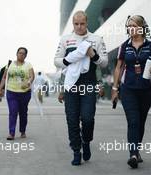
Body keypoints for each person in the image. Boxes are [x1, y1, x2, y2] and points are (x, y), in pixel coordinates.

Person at [54, 11, 108, 166]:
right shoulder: (66, 39)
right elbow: (57, 61)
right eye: (76, 24)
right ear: (73, 23)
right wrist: (69, 59)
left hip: (89, 84)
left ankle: (86, 141)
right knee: (72, 120)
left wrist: (93, 54)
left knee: (87, 118)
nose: (79, 27)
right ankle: (76, 151)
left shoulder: (96, 39)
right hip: (71, 86)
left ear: (87, 22)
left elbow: (103, 63)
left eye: (82, 24)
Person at [111, 15, 151, 169]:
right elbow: (119, 68)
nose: (131, 28)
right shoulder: (124, 46)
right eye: (129, 26)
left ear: (141, 27)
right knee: (133, 121)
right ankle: (133, 154)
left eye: (134, 25)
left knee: (140, 123)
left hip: (145, 90)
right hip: (128, 89)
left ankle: (136, 150)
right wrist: (115, 88)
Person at [0, 47, 35, 140]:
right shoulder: (9, 64)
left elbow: (32, 76)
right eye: (19, 53)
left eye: (23, 53)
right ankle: (11, 133)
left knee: (23, 113)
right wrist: (0, 89)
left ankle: (23, 131)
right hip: (11, 92)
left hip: (25, 93)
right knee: (13, 112)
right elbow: (4, 77)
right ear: (16, 54)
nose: (21, 55)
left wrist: (28, 82)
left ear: (26, 55)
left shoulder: (28, 65)